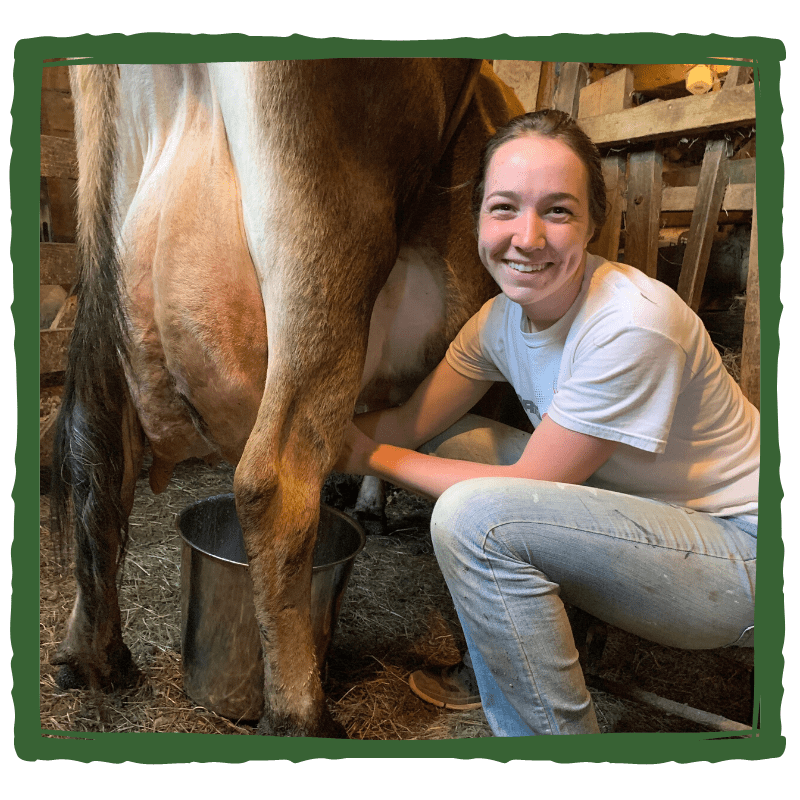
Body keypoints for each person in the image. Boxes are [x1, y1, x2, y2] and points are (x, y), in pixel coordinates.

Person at [335, 109, 758, 736]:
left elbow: (522, 487)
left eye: (557, 211)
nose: (526, 237)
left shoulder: (631, 323)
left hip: (743, 555)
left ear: (591, 225)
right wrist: (310, 429)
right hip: (640, 514)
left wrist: (359, 455)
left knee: (477, 517)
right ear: (479, 217)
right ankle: (506, 664)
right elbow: (406, 422)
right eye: (504, 207)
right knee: (460, 441)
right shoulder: (499, 322)